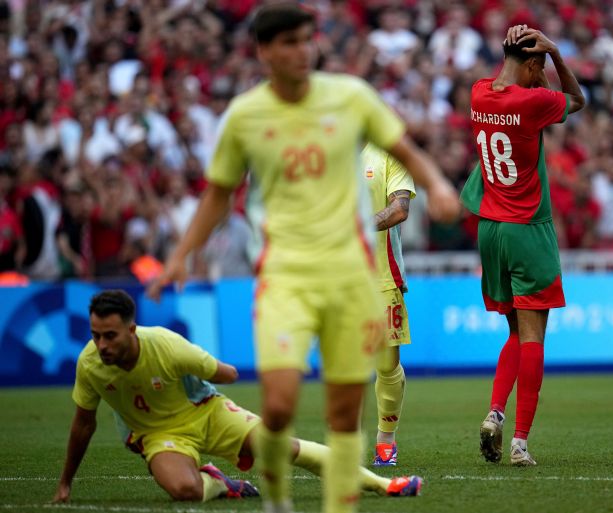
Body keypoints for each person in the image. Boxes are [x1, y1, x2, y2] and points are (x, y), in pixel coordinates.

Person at [147, 4, 460, 513]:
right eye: (288, 43)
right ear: (264, 51)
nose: (301, 51)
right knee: (278, 403)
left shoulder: (351, 97)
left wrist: (439, 186)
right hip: (284, 277)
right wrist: (183, 254)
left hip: (351, 278)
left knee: (342, 413)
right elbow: (218, 194)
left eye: (306, 40)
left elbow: (404, 147)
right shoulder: (246, 116)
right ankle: (277, 500)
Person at [52, 290, 425, 505]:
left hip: (208, 413)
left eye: (110, 336)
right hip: (160, 436)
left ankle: (384, 484)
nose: (101, 345)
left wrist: (210, 369)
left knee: (285, 449)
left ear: (131, 329)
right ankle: (220, 483)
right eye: (96, 335)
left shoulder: (167, 346)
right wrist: (65, 482)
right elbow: (83, 423)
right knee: (184, 490)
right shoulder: (89, 365)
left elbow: (227, 373)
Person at [461, 25, 585, 466]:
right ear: (533, 64)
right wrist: (555, 53)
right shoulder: (533, 102)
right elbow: (576, 101)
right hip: (527, 226)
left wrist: (531, 59)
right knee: (534, 336)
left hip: (490, 228)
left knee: (514, 330)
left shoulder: (478, 93)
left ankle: (494, 413)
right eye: (538, 68)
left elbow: (518, 82)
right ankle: (519, 443)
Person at [362, 143, 415, 466]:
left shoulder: (388, 156)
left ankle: (385, 439)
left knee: (385, 365)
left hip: (381, 277)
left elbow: (400, 209)